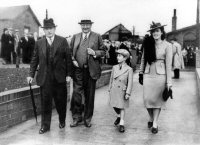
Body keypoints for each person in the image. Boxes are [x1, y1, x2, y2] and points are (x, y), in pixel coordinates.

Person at [27, 18, 72, 134]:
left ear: (54, 29)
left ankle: (62, 120)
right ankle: (45, 125)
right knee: (45, 102)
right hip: (45, 78)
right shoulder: (39, 43)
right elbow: (34, 59)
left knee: (60, 102)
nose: (49, 31)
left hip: (59, 77)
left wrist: (68, 74)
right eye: (46, 29)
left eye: (51, 28)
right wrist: (30, 74)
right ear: (44, 30)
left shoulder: (62, 41)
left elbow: (68, 59)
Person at [70, 19, 106, 128]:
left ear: (90, 25)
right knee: (76, 95)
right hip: (78, 70)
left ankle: (87, 119)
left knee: (89, 96)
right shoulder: (75, 36)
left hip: (91, 71)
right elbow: (70, 52)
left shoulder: (97, 36)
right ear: (81, 26)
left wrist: (95, 53)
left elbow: (104, 51)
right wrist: (73, 60)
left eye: (87, 25)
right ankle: (76, 118)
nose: (85, 27)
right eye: (83, 25)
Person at [139, 22, 172, 134]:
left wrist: (169, 82)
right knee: (147, 99)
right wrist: (140, 73)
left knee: (157, 100)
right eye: (153, 31)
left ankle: (155, 123)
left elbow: (168, 65)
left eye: (157, 31)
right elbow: (143, 59)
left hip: (160, 76)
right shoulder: (148, 43)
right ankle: (151, 117)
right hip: (148, 74)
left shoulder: (168, 45)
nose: (155, 33)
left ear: (162, 32)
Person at [108, 49, 133, 133]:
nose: (117, 57)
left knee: (121, 107)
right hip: (114, 89)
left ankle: (122, 123)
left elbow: (130, 82)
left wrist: (128, 93)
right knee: (114, 105)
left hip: (122, 90)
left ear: (125, 58)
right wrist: (109, 88)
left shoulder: (129, 69)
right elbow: (111, 78)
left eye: (119, 56)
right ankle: (118, 116)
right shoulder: (114, 67)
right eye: (117, 55)